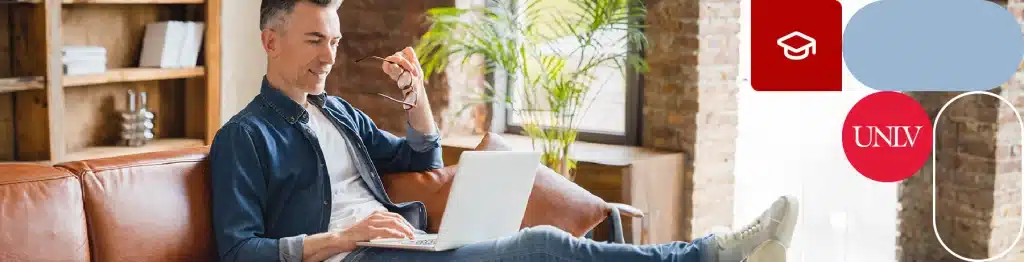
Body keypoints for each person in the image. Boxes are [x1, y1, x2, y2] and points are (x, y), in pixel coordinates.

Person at [208, 0, 801, 261]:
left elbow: (425, 152)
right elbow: (240, 251)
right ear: (270, 40)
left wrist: (416, 99)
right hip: (353, 257)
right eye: (316, 40)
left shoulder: (336, 112)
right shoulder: (244, 136)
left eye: (334, 41)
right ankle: (712, 252)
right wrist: (345, 238)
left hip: (405, 245)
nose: (329, 56)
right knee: (541, 246)